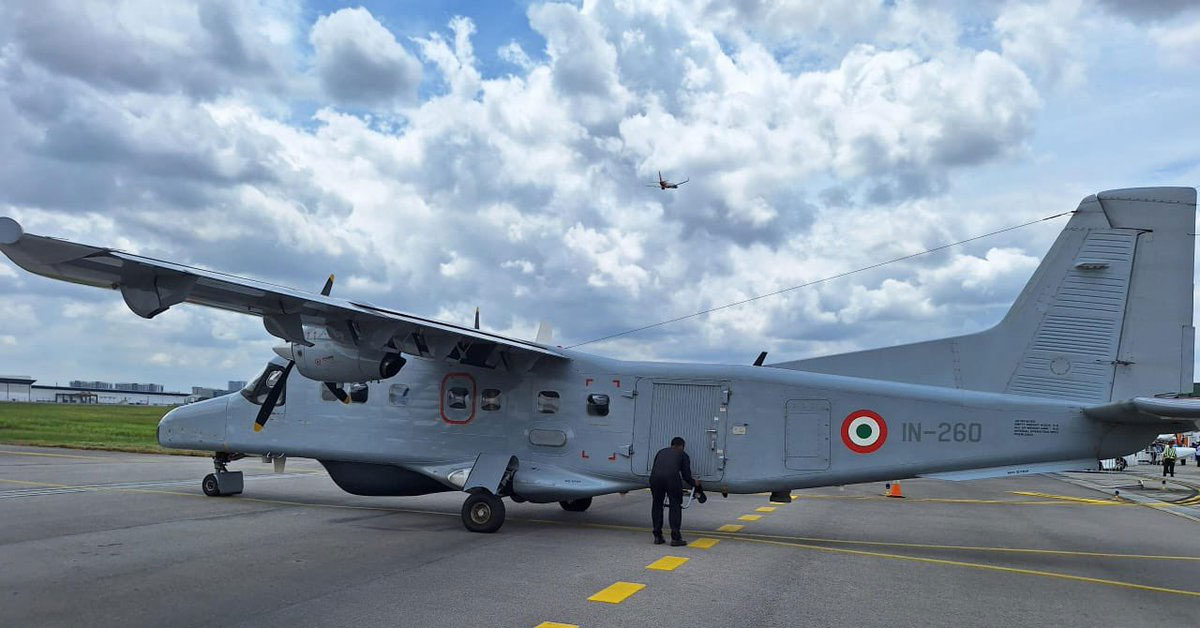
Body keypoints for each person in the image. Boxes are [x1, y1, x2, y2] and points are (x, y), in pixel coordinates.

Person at [650, 436, 700, 546]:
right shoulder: (683, 454)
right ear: (682, 446)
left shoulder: (661, 451)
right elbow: (686, 476)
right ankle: (675, 538)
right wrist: (694, 483)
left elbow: (656, 466)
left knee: (657, 505)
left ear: (671, 444)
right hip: (671, 479)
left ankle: (657, 536)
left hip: (655, 478)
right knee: (675, 506)